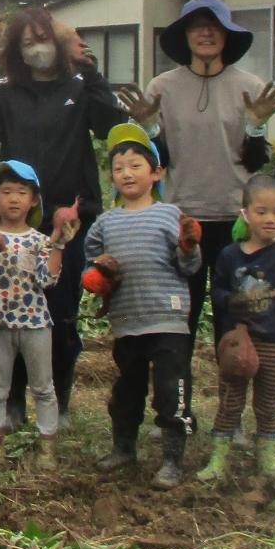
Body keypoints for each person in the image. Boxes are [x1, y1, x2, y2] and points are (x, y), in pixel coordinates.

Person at [0, 5, 123, 423]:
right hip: (18, 218)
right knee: (15, 309)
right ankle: (15, 400)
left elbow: (110, 125)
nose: (37, 49)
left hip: (71, 217)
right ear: (17, 50)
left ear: (58, 42)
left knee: (61, 310)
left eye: (43, 39)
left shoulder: (78, 82)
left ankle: (60, 400)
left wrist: (93, 74)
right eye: (27, 42)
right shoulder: (5, 87)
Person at [117, 0, 275, 343]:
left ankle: (231, 392)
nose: (206, 33)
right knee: (181, 317)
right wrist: (149, 127)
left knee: (236, 317)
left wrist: (256, 126)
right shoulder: (161, 88)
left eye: (214, 27)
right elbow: (160, 163)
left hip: (236, 219)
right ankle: (179, 394)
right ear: (185, 36)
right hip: (182, 218)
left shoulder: (251, 88)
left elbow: (255, 161)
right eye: (197, 26)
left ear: (227, 36)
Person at [86, 129, 205, 488]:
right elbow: (91, 266)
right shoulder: (106, 222)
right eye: (119, 167)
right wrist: (96, 277)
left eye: (136, 165)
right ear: (112, 178)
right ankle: (124, 446)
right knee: (127, 388)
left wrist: (188, 248)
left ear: (156, 173)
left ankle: (172, 457)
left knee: (173, 389)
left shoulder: (170, 215)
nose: (127, 173)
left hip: (167, 319)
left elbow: (190, 267)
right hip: (128, 320)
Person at [199, 174, 275, 483]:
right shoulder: (230, 255)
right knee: (230, 401)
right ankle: (218, 459)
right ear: (245, 214)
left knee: (268, 404)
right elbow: (215, 291)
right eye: (261, 211)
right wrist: (232, 301)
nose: (270, 219)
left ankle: (267, 459)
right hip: (239, 341)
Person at [0, 160, 73, 467]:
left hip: (35, 321)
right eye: (7, 191)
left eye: (22, 192)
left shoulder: (40, 241)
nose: (14, 198)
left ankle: (47, 448)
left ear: (34, 200)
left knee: (43, 387)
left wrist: (59, 246)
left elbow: (47, 280)